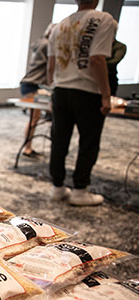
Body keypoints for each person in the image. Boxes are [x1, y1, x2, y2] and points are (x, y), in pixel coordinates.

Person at [47, 0, 116, 206]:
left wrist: (53, 88)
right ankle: (80, 190)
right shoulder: (103, 20)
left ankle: (57, 187)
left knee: (59, 140)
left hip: (61, 90)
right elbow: (96, 60)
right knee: (88, 142)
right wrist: (106, 94)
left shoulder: (59, 25)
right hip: (87, 91)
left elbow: (50, 66)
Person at [19, 23, 56, 159]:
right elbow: (50, 68)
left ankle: (28, 147)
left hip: (30, 83)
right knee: (34, 118)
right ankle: (27, 148)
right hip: (33, 85)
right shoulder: (48, 45)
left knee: (35, 117)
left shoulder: (39, 43)